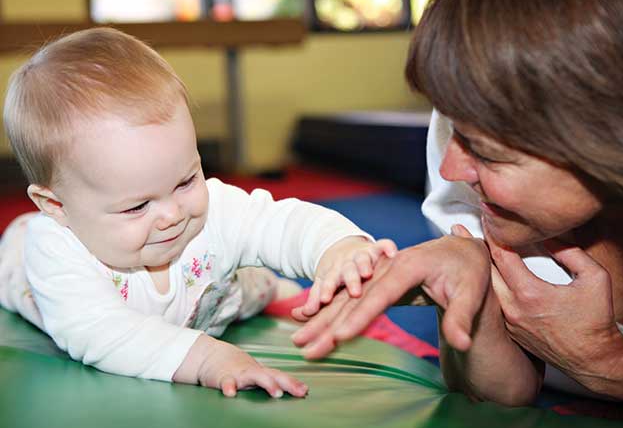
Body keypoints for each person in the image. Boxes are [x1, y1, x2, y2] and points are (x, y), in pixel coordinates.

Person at [291, 0, 623, 407]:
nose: (449, 168)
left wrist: (609, 362)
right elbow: (504, 396)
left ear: (616, 150)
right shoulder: (475, 186)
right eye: (455, 130)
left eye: (489, 154)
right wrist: (472, 299)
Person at [0, 27, 397, 398]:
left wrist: (336, 247)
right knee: (15, 254)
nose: (173, 214)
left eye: (186, 180)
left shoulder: (210, 209)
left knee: (252, 285)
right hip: (24, 266)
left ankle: (272, 287)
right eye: (138, 205)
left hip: (216, 293)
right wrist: (208, 357)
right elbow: (102, 333)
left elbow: (280, 222)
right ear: (57, 206)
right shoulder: (56, 249)